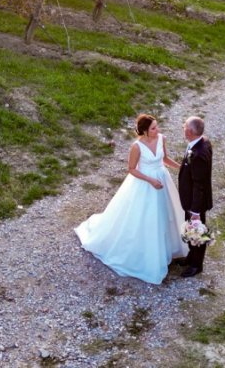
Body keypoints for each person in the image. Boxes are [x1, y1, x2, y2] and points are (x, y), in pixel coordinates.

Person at [75, 114, 189, 284]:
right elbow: (132, 169)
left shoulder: (161, 139)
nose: (157, 130)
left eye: (157, 126)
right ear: (144, 130)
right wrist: (150, 180)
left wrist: (182, 168)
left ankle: (169, 248)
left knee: (167, 214)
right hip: (145, 183)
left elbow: (164, 159)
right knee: (145, 217)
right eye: (153, 128)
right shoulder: (136, 147)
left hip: (162, 180)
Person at [164, 115, 212, 278]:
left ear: (190, 132)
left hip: (195, 202)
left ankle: (196, 266)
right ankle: (191, 257)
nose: (183, 128)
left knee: (198, 231)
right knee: (191, 230)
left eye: (184, 126)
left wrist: (196, 211)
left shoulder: (198, 154)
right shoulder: (202, 141)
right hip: (191, 200)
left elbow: (199, 184)